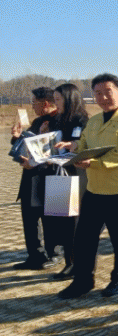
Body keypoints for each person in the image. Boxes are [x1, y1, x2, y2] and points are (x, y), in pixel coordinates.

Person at [58, 74, 118, 299]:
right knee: (84, 238)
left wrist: (93, 163)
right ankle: (83, 281)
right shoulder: (94, 121)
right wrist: (73, 147)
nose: (103, 97)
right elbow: (84, 145)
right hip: (94, 190)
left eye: (108, 92)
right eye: (98, 93)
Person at [10, 87, 59, 270]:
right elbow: (27, 146)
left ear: (45, 103)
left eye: (33, 103)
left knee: (52, 218)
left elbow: (58, 153)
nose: (31, 106)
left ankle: (55, 254)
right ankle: (35, 255)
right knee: (29, 218)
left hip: (51, 176)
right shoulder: (38, 121)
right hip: (31, 177)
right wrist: (16, 139)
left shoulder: (61, 121)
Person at [47, 83, 90, 280]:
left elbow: (82, 145)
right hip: (58, 173)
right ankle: (67, 260)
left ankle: (74, 264)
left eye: (58, 99)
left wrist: (71, 145)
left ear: (69, 99)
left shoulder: (82, 119)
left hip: (75, 174)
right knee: (61, 219)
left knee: (73, 220)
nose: (55, 103)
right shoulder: (56, 119)